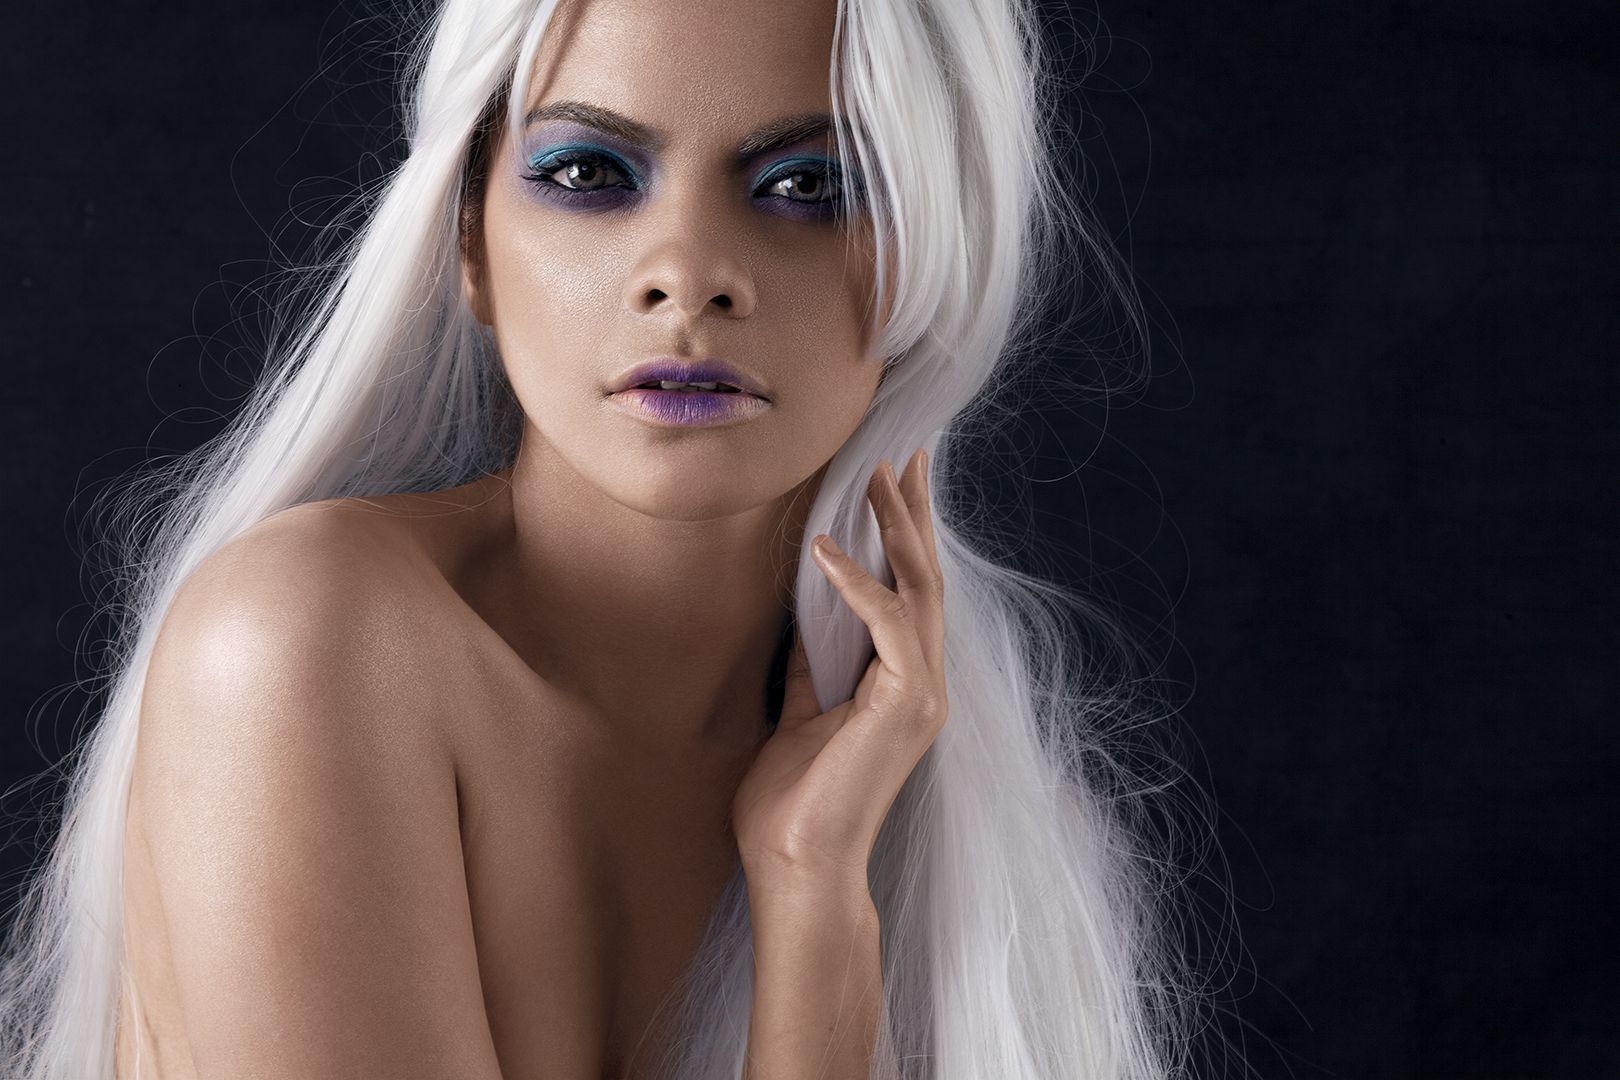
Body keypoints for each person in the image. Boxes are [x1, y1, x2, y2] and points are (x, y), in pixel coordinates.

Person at [0, 0, 1214, 1076]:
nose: (688, 275)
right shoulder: (301, 645)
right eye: (588, 172)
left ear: (939, 248)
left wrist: (811, 887)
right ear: (469, 241)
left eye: (810, 186)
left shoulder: (955, 803)